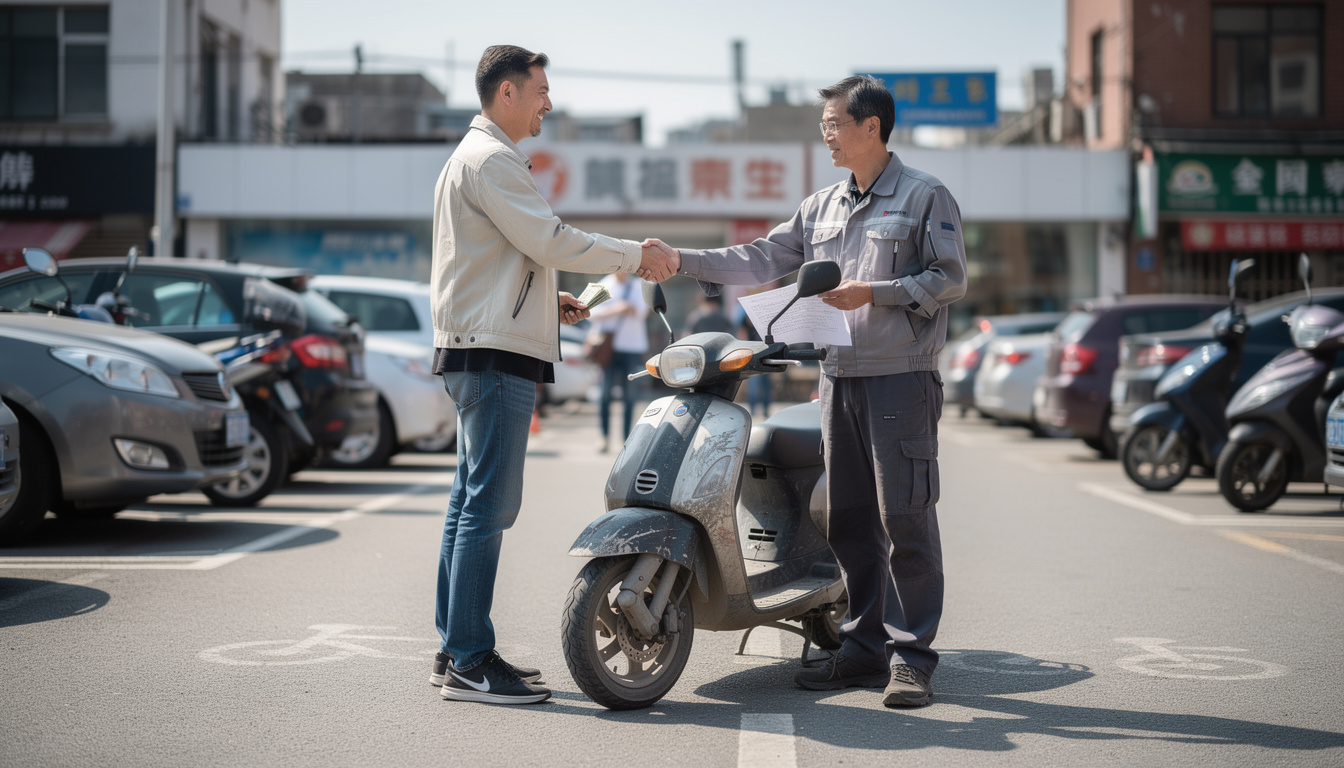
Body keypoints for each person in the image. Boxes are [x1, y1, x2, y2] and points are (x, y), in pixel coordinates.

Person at [645, 75, 967, 708]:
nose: (826, 133)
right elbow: (763, 258)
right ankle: (863, 650)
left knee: (904, 519)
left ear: (871, 126)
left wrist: (874, 291)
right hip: (837, 380)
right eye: (823, 124)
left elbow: (949, 278)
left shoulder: (927, 196)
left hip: (900, 378)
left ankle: (911, 660)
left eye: (834, 123)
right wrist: (683, 259)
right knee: (847, 520)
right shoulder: (822, 206)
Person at [428, 44, 677, 706]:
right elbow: (551, 239)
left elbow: (504, 258)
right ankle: (472, 661)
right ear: (506, 93)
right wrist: (633, 255)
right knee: (488, 505)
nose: (548, 102)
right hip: (492, 355)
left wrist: (548, 301)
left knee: (468, 500)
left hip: (476, 346)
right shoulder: (492, 160)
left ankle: (455, 648)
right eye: (539, 90)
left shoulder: (474, 158)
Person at [587, 271, 648, 452]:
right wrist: (617, 309)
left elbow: (643, 312)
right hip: (609, 348)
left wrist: (627, 309)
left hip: (632, 347)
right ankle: (604, 437)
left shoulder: (638, 286)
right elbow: (589, 312)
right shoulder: (604, 284)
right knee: (605, 394)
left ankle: (626, 439)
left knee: (630, 396)